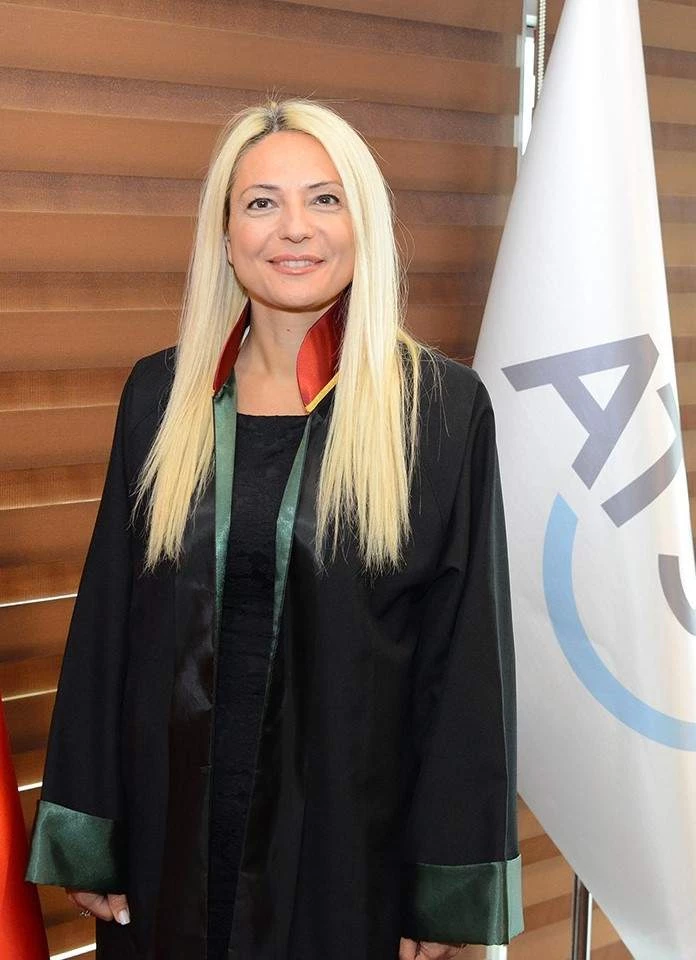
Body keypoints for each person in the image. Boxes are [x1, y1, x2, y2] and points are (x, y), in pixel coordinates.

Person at [25, 98, 523, 959]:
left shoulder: (439, 412)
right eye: (261, 203)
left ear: (363, 224)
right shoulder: (160, 397)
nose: (295, 228)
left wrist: (445, 891)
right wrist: (90, 830)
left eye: (325, 199)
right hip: (167, 850)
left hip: (346, 866)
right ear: (225, 235)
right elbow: (108, 624)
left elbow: (466, 664)